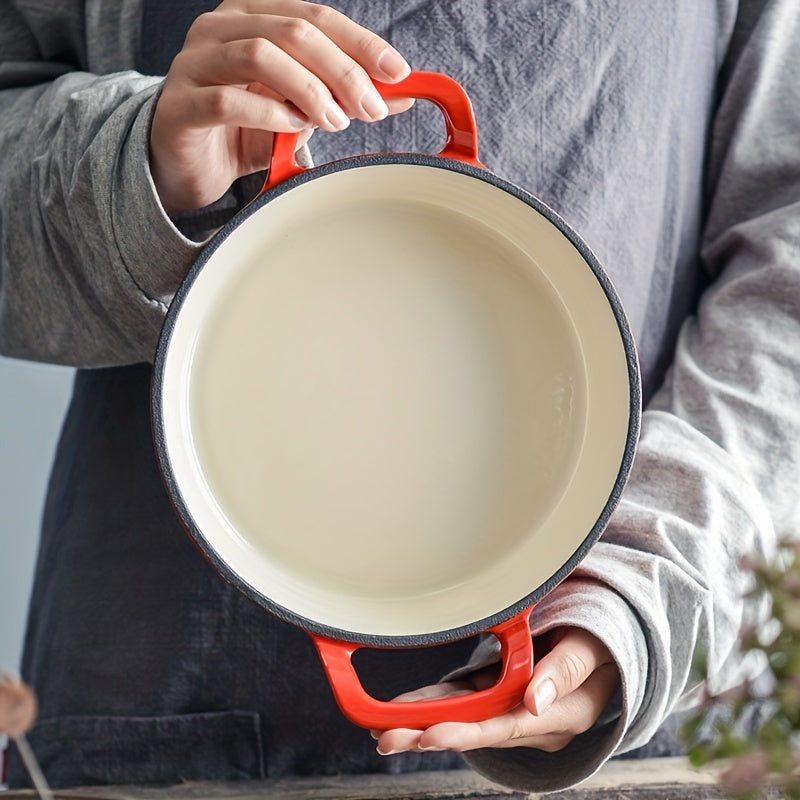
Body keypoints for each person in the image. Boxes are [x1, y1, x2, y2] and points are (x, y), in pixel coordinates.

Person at [1, 0, 798, 792]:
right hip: (158, 697)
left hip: (610, 703)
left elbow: (784, 272)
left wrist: (638, 597)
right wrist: (138, 166)